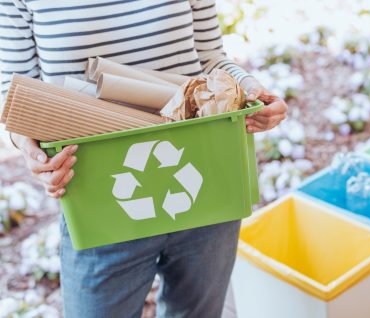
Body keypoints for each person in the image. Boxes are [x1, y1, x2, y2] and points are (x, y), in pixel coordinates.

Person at [0, 1, 287, 317]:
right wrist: (31, 150)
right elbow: (12, 92)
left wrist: (252, 91)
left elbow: (211, 58)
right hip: (97, 198)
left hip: (204, 180)